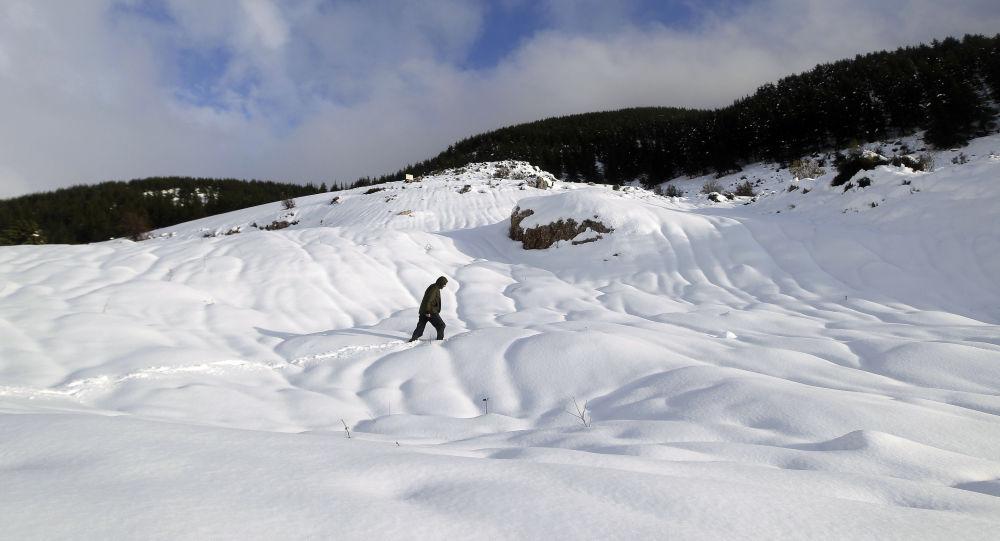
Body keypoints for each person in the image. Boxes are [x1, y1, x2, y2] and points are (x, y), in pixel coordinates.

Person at [409, 276, 448, 342]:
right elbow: (428, 300)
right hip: (430, 311)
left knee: (420, 326)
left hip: (424, 311)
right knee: (441, 325)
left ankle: (413, 339)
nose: (445, 286)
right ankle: (439, 342)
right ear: (441, 283)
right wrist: (427, 312)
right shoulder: (434, 289)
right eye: (444, 284)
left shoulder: (434, 287)